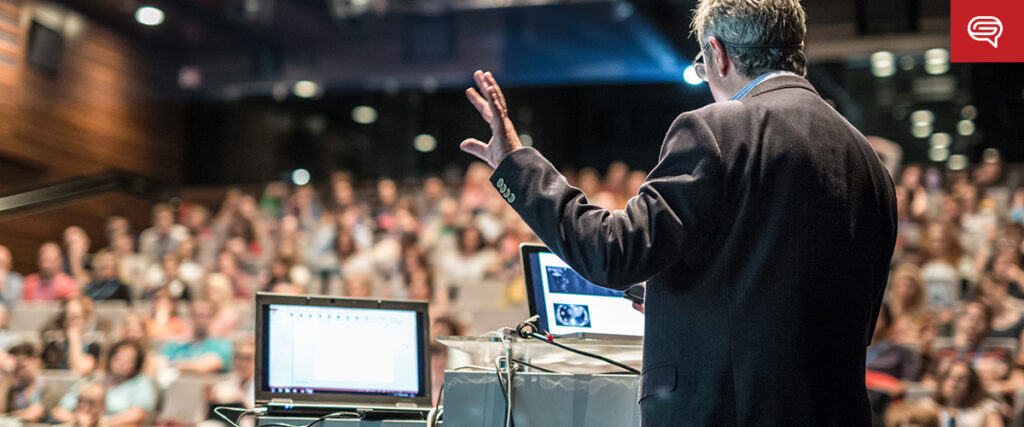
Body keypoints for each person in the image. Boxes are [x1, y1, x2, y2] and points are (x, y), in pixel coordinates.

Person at [458, 0, 897, 424]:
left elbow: (612, 253)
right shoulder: (866, 159)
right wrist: (682, 301)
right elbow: (808, 303)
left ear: (718, 54)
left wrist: (515, 164)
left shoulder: (717, 128)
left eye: (703, 68)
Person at [53, 340, 156, 426]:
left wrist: (100, 422)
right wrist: (80, 420)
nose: (122, 362)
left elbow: (135, 415)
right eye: (118, 357)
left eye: (128, 359)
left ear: (136, 364)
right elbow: (60, 410)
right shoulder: (93, 379)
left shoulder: (141, 383)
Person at [158, 300, 233, 374]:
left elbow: (206, 366)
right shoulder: (178, 345)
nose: (201, 320)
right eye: (198, 315)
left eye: (205, 316)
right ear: (191, 317)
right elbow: (157, 362)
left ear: (212, 319)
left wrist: (171, 364)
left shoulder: (221, 345)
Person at [922, 361, 1003, 427]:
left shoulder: (985, 408)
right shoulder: (928, 406)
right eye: (949, 377)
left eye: (960, 379)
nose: (953, 383)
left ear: (971, 385)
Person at [0, 343, 61, 422]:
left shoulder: (49, 389)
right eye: (15, 368)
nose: (19, 372)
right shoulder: (12, 390)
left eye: (22, 366)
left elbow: (33, 415)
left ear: (36, 361)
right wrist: (6, 377)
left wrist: (7, 417)